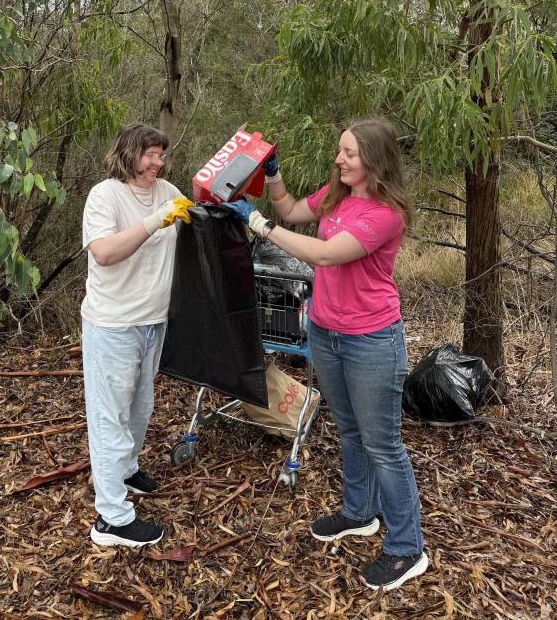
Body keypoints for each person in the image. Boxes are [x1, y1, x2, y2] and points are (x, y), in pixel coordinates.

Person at [224, 117, 428, 591]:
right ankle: (359, 513)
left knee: (383, 445)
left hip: (370, 339)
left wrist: (256, 223)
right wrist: (273, 175)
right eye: (340, 151)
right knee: (350, 430)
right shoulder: (338, 194)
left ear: (374, 160)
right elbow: (292, 210)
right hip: (325, 331)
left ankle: (407, 548)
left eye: (349, 153)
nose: (339, 160)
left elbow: (325, 254)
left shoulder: (384, 213)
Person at [81, 123, 192, 548]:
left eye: (161, 155)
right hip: (113, 324)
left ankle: (126, 471)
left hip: (153, 320)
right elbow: (105, 253)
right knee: (109, 417)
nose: (158, 163)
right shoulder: (105, 195)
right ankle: (111, 518)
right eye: (150, 155)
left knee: (140, 408)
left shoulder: (168, 191)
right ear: (128, 154)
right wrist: (154, 221)